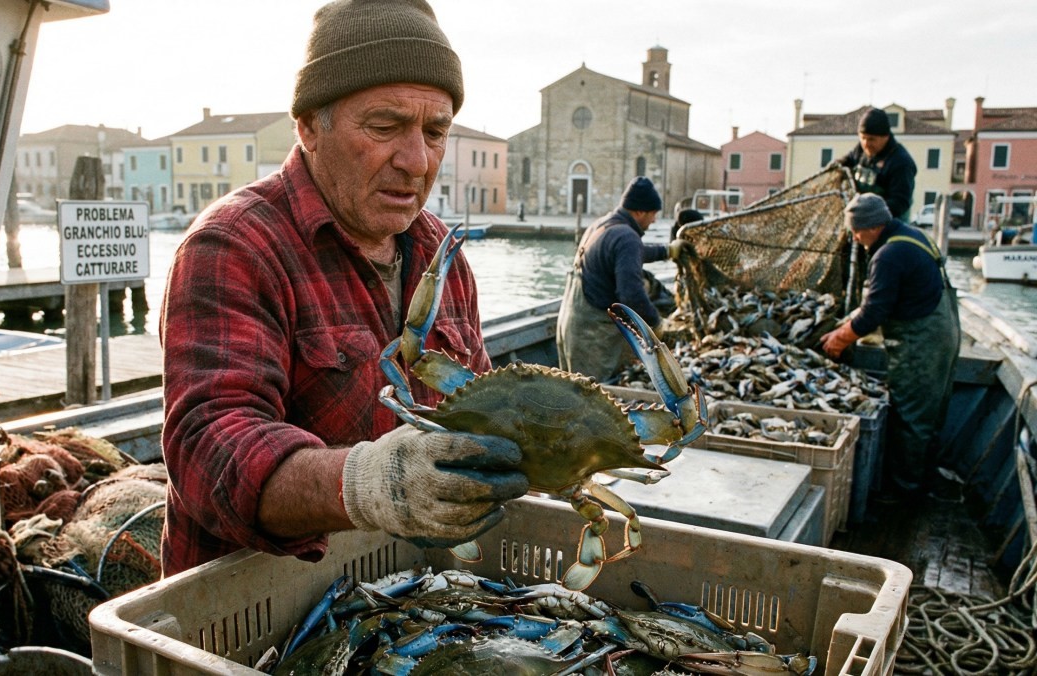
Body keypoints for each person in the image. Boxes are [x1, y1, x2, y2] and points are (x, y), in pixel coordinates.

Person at [158, 0, 529, 576]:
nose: (416, 161)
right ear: (308, 125)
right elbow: (208, 449)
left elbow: (481, 409)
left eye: (436, 132)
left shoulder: (443, 255)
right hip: (253, 609)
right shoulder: (234, 245)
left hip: (404, 591)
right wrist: (366, 482)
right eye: (384, 127)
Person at [819, 193, 960, 502]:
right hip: (944, 336)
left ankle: (905, 494)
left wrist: (838, 339)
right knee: (929, 415)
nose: (856, 238)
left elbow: (873, 314)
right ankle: (926, 482)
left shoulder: (888, 255)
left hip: (921, 346)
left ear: (872, 225)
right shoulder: (913, 236)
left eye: (857, 230)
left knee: (911, 418)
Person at [556, 177, 687, 382]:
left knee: (576, 391)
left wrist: (667, 251)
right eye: (653, 214)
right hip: (593, 336)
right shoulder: (627, 237)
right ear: (639, 212)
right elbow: (631, 295)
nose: (654, 220)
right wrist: (656, 323)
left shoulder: (602, 225)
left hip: (569, 326)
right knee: (595, 398)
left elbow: (629, 255)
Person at [832, 107, 918, 221]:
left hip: (889, 225)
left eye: (872, 139)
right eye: (863, 138)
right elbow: (848, 160)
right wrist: (834, 167)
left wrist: (869, 213)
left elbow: (900, 203)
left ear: (886, 137)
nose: (866, 143)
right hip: (862, 221)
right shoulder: (861, 149)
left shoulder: (901, 163)